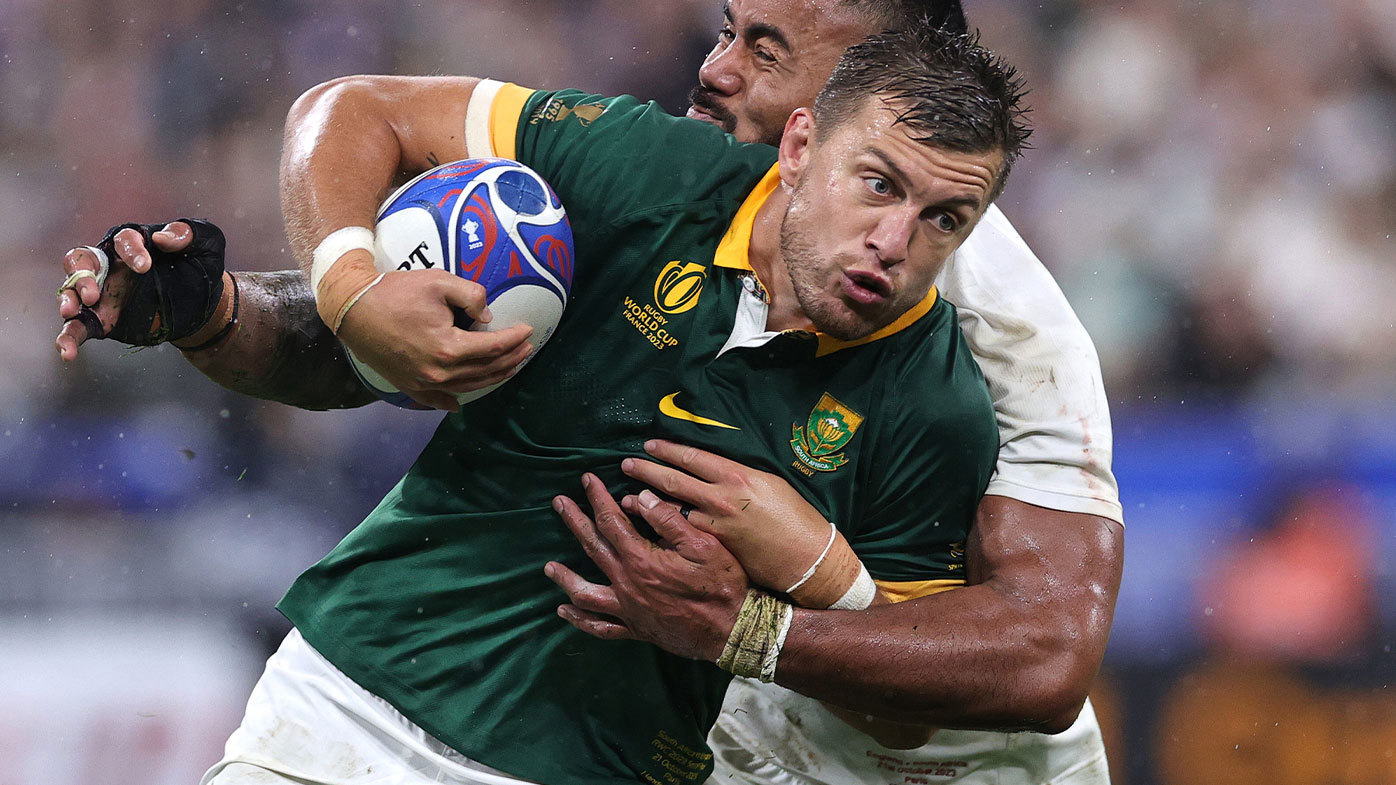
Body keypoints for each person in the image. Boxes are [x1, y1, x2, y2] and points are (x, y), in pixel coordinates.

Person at [53, 3, 1123, 784]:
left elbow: (1033, 660)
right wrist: (267, 301)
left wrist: (795, 589)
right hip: (351, 717)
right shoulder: (647, 174)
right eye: (726, 28)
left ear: (850, 86)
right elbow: (378, 331)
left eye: (763, 48)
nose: (711, 71)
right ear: (808, 143)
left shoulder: (993, 356)